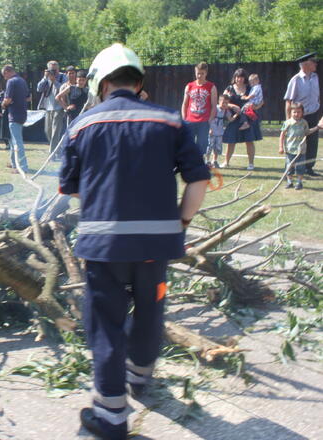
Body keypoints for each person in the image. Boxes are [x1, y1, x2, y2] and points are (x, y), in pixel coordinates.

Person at [59, 43, 209, 439]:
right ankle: (140, 376)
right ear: (137, 81)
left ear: (101, 83)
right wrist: (181, 222)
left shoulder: (82, 125)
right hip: (154, 248)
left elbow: (69, 188)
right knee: (150, 308)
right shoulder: (171, 122)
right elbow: (199, 180)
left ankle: (110, 418)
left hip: (103, 248)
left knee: (106, 325)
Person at [284, 52, 320, 176]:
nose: (316, 63)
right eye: (313, 61)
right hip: (300, 116)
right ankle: (294, 168)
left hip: (313, 114)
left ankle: (309, 168)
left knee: (313, 142)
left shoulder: (316, 77)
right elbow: (289, 101)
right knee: (298, 142)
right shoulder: (296, 80)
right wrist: (289, 121)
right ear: (306, 64)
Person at [222, 68, 261, 170]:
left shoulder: (250, 88)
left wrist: (255, 107)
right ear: (234, 77)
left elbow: (260, 101)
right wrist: (232, 106)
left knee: (249, 140)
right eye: (237, 77)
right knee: (231, 141)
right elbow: (222, 101)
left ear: (245, 78)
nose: (239, 79)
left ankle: (251, 164)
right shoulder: (229, 88)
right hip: (234, 118)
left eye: (241, 77)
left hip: (248, 119)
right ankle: (226, 162)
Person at [279, 102, 322, 190]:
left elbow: (307, 132)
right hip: (290, 150)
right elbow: (282, 135)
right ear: (291, 112)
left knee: (300, 167)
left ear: (302, 113)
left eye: (298, 112)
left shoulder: (304, 123)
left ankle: (299, 183)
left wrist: (317, 127)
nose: (296, 114)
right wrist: (281, 147)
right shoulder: (287, 123)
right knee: (289, 167)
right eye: (294, 112)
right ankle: (289, 182)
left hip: (301, 151)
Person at [181, 62, 218, 156]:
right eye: (198, 73)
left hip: (204, 121)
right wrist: (184, 119)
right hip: (190, 120)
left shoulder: (211, 87)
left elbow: (214, 106)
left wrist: (210, 120)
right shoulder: (189, 86)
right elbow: (184, 104)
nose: (199, 75)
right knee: (188, 144)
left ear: (206, 73)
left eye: (202, 73)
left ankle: (199, 164)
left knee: (202, 145)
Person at [1, 64, 29, 173]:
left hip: (14, 115)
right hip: (22, 113)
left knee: (17, 142)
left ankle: (22, 167)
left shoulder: (11, 81)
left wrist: (3, 104)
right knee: (13, 141)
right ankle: (14, 163)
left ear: (8, 71)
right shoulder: (22, 80)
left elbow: (7, 99)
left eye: (4, 75)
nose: (4, 77)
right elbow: (28, 97)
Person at [37, 60, 68, 158]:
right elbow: (39, 89)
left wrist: (54, 80)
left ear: (58, 68)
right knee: (48, 131)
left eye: (55, 69)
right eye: (51, 69)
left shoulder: (63, 77)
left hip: (59, 107)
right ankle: (58, 150)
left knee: (56, 131)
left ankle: (52, 154)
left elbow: (64, 89)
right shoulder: (46, 78)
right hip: (48, 107)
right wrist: (45, 77)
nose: (53, 71)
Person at [207, 94, 234, 168]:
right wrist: (210, 128)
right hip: (212, 131)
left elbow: (230, 119)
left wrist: (237, 114)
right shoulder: (214, 109)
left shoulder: (226, 111)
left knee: (217, 147)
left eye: (226, 103)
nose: (225, 104)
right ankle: (207, 161)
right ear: (219, 101)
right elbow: (209, 119)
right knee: (209, 146)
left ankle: (214, 161)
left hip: (219, 132)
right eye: (223, 102)